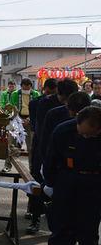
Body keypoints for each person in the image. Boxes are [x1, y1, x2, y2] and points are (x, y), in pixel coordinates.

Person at [44, 106, 101, 245]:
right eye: (83, 134)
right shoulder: (63, 131)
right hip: (67, 181)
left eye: (92, 136)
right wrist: (52, 185)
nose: (87, 138)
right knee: (62, 229)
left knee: (89, 232)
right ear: (77, 122)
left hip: (94, 184)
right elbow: (50, 159)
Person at [31, 87, 90, 236]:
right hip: (59, 171)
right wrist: (49, 174)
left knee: (74, 215)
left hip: (79, 177)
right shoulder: (55, 117)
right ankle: (37, 219)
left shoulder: (93, 122)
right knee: (58, 210)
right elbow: (45, 144)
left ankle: (67, 244)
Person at [4, 78, 41, 172]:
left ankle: (32, 168)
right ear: (21, 86)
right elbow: (11, 108)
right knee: (10, 142)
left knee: (31, 146)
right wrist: (19, 119)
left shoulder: (36, 94)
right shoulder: (15, 94)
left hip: (30, 121)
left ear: (31, 87)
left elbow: (38, 109)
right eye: (24, 88)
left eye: (28, 88)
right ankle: (7, 165)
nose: (26, 90)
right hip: (16, 120)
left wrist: (29, 119)